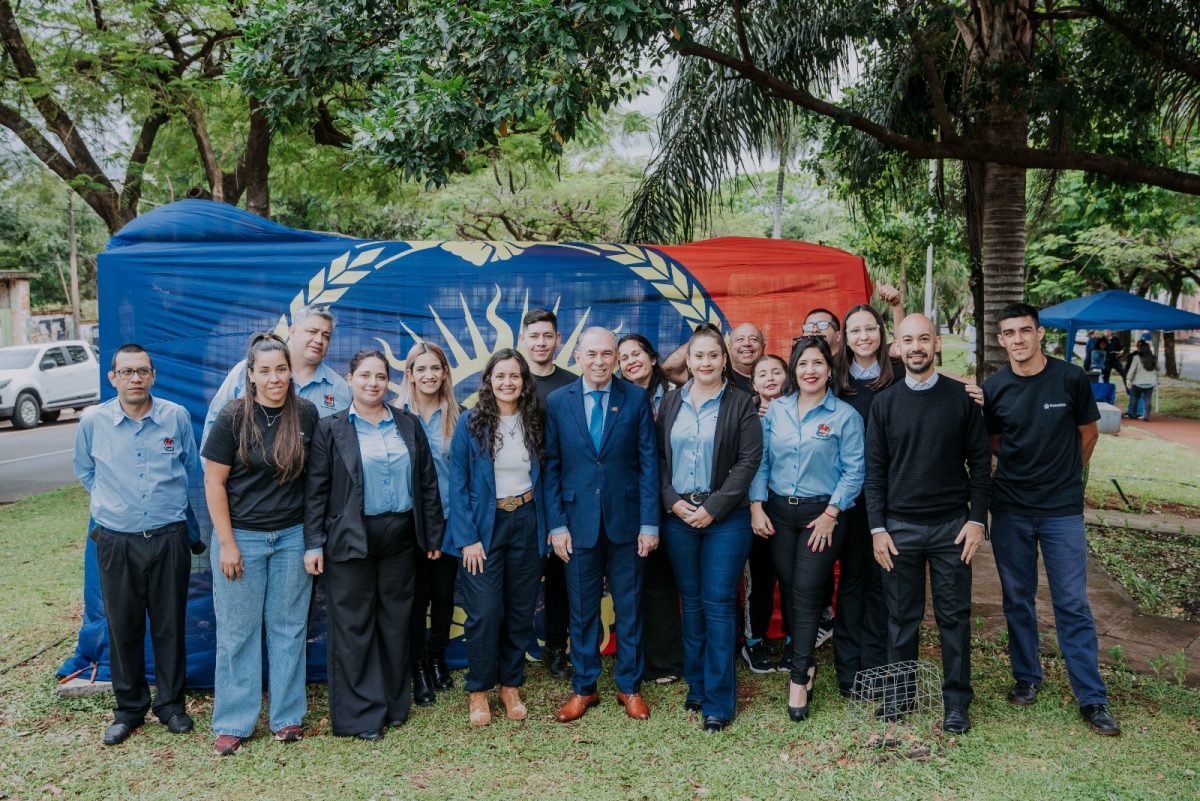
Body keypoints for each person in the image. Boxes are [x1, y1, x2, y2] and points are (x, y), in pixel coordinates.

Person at [982, 303, 1120, 737]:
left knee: (1072, 602)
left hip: (1061, 511)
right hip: (1010, 508)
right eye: (1009, 333)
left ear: (1040, 334)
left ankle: (1091, 696)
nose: (1018, 339)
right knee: (1017, 598)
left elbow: (1088, 434)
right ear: (1001, 340)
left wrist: (1063, 476)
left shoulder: (1070, 378)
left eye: (1025, 331)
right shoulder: (994, 387)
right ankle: (1027, 676)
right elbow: (996, 441)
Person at [303, 349, 444, 740]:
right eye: (365, 375)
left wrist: (432, 534)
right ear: (350, 379)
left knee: (395, 621)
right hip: (350, 538)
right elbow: (316, 491)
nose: (373, 383)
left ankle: (394, 705)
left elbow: (427, 482)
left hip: (400, 537)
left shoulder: (407, 424)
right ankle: (362, 715)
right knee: (354, 625)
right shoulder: (330, 428)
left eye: (380, 376)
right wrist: (313, 543)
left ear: (389, 382)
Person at [866, 315, 991, 734]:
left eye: (924, 338)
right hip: (898, 529)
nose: (916, 346)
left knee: (954, 617)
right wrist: (877, 528)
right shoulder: (884, 403)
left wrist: (977, 520)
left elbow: (981, 465)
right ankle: (900, 696)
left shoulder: (961, 399)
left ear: (937, 344)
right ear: (897, 348)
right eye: (908, 340)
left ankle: (956, 702)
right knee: (901, 618)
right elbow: (874, 472)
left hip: (952, 528)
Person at [72, 344, 199, 746]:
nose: (135, 378)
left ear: (153, 375)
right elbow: (85, 471)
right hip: (117, 541)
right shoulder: (93, 421)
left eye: (142, 370)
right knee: (123, 627)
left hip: (169, 537)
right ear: (113, 378)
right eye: (126, 372)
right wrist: (115, 505)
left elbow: (189, 467)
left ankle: (172, 706)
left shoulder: (176, 417)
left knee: (169, 625)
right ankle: (129, 709)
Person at [202, 333, 320, 755]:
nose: (275, 379)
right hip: (242, 539)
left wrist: (312, 541)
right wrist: (227, 543)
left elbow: (315, 482)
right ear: (250, 375)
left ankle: (287, 717)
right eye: (265, 371)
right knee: (238, 632)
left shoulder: (305, 414)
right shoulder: (233, 416)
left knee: (289, 628)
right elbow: (213, 483)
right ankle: (234, 721)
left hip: (292, 538)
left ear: (291, 372)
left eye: (281, 369)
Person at [544, 326, 660, 723]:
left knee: (629, 607)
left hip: (628, 522)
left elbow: (649, 464)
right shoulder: (558, 401)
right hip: (577, 524)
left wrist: (650, 524)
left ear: (616, 358)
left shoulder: (636, 398)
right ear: (577, 356)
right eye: (591, 354)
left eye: (607, 354)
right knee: (581, 611)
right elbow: (552, 467)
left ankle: (629, 686)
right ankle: (584, 688)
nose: (599, 361)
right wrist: (557, 526)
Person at [750, 336, 864, 722]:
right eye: (802, 364)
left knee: (808, 588)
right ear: (793, 371)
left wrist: (832, 512)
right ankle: (805, 660)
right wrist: (756, 505)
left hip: (823, 515)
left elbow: (855, 471)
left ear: (830, 370)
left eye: (817, 363)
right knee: (791, 586)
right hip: (780, 513)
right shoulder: (777, 411)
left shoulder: (845, 416)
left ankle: (799, 675)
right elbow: (761, 462)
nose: (810, 370)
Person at [657, 325, 762, 733]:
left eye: (712, 355)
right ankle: (698, 685)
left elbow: (749, 461)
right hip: (679, 516)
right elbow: (658, 457)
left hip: (726, 520)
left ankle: (719, 700)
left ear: (724, 360)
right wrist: (671, 500)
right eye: (698, 356)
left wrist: (714, 508)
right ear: (688, 360)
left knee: (718, 604)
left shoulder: (741, 402)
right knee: (692, 602)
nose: (705, 362)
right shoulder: (671, 401)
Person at [443, 349, 550, 726]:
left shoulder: (535, 419)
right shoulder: (470, 421)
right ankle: (479, 690)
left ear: (524, 382)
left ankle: (510, 685)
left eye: (514, 376)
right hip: (483, 528)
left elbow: (548, 474)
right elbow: (458, 483)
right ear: (488, 380)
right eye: (500, 375)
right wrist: (467, 538)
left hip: (527, 520)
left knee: (520, 611)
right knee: (486, 613)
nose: (508, 382)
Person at [831, 304, 899, 696]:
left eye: (870, 329)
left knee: (881, 580)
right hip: (850, 497)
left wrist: (970, 388)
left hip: (892, 495)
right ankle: (848, 669)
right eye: (855, 331)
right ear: (844, 337)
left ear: (881, 331)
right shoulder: (834, 377)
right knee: (852, 579)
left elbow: (935, 381)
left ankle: (875, 665)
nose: (863, 337)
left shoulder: (898, 374)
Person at [618, 333, 683, 686]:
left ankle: (665, 661)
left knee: (663, 583)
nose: (631, 362)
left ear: (653, 358)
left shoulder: (677, 394)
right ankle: (634, 659)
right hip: (634, 501)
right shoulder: (618, 398)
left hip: (674, 499)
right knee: (634, 584)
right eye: (624, 358)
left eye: (637, 354)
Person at [399, 342, 461, 704]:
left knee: (442, 596)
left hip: (449, 521)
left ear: (445, 373)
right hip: (409, 524)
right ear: (409, 375)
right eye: (421, 369)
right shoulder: (394, 416)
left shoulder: (459, 416)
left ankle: (437, 658)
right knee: (414, 598)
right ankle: (418, 667)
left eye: (435, 368)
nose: (429, 375)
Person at [519, 308, 575, 680]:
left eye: (547, 335)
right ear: (523, 339)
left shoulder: (572, 384)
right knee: (519, 579)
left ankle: (556, 648)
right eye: (534, 336)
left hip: (561, 496)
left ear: (558, 339)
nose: (541, 343)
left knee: (560, 579)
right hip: (519, 498)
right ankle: (510, 650)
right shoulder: (511, 379)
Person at [203, 304, 349, 444]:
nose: (319, 340)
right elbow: (215, 421)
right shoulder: (248, 370)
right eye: (312, 331)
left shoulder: (341, 389)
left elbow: (343, 442)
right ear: (292, 331)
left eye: (326, 336)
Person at [741, 353, 788, 674]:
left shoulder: (802, 411)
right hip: (757, 508)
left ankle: (795, 640)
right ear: (753, 383)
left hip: (793, 507)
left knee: (793, 579)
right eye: (762, 374)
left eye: (776, 372)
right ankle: (754, 641)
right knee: (759, 579)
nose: (770, 378)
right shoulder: (747, 415)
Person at [664, 322, 762, 395]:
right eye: (740, 339)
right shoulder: (713, 373)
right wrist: (701, 338)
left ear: (763, 345)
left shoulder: (771, 374)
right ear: (729, 346)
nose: (747, 343)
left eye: (754, 339)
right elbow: (669, 369)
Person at [1124, 339, 1158, 422]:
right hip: (1150, 382)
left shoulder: (1136, 358)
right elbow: (1158, 368)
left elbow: (1132, 370)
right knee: (1148, 399)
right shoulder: (1153, 358)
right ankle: (1147, 416)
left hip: (1137, 383)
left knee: (1135, 398)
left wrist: (1128, 379)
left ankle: (1133, 414)